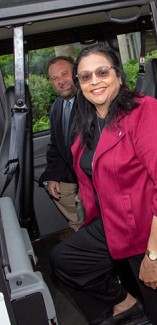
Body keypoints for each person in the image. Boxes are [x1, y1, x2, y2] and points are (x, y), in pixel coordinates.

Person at [49, 44, 157, 325]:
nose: (94, 80)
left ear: (119, 77)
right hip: (118, 223)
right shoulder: (87, 122)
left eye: (102, 72)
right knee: (66, 259)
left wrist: (153, 257)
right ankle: (126, 306)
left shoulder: (145, 111)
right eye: (85, 77)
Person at [39, 56, 85, 232]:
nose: (60, 81)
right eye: (54, 78)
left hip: (90, 170)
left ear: (76, 73)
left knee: (84, 203)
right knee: (54, 188)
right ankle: (80, 226)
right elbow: (55, 145)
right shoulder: (57, 107)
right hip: (70, 167)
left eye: (64, 74)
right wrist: (53, 176)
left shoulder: (88, 99)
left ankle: (85, 228)